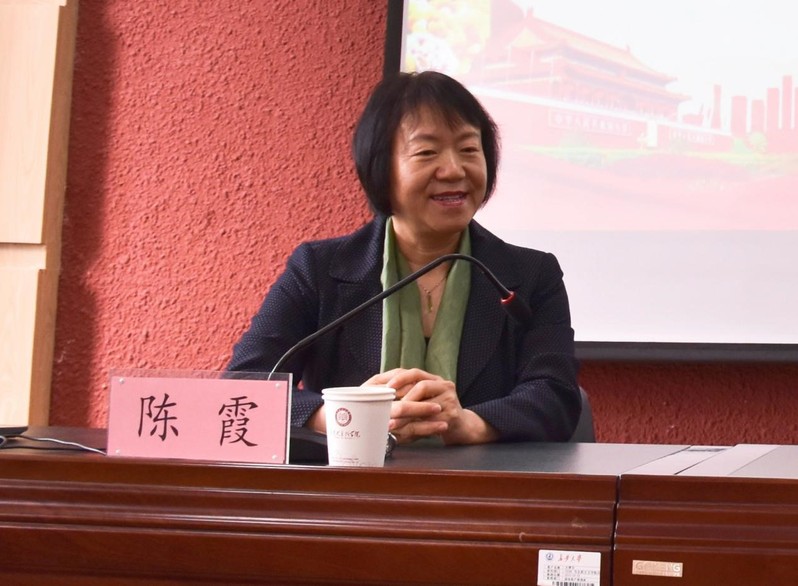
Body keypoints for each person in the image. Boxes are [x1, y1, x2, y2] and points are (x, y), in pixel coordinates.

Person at [227, 71, 581, 444]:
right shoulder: (318, 269)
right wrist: (346, 416)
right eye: (427, 152)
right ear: (381, 167)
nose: (454, 170)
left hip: (483, 479)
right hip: (354, 477)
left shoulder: (531, 274)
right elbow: (244, 385)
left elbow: (555, 395)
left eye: (468, 150)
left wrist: (466, 424)